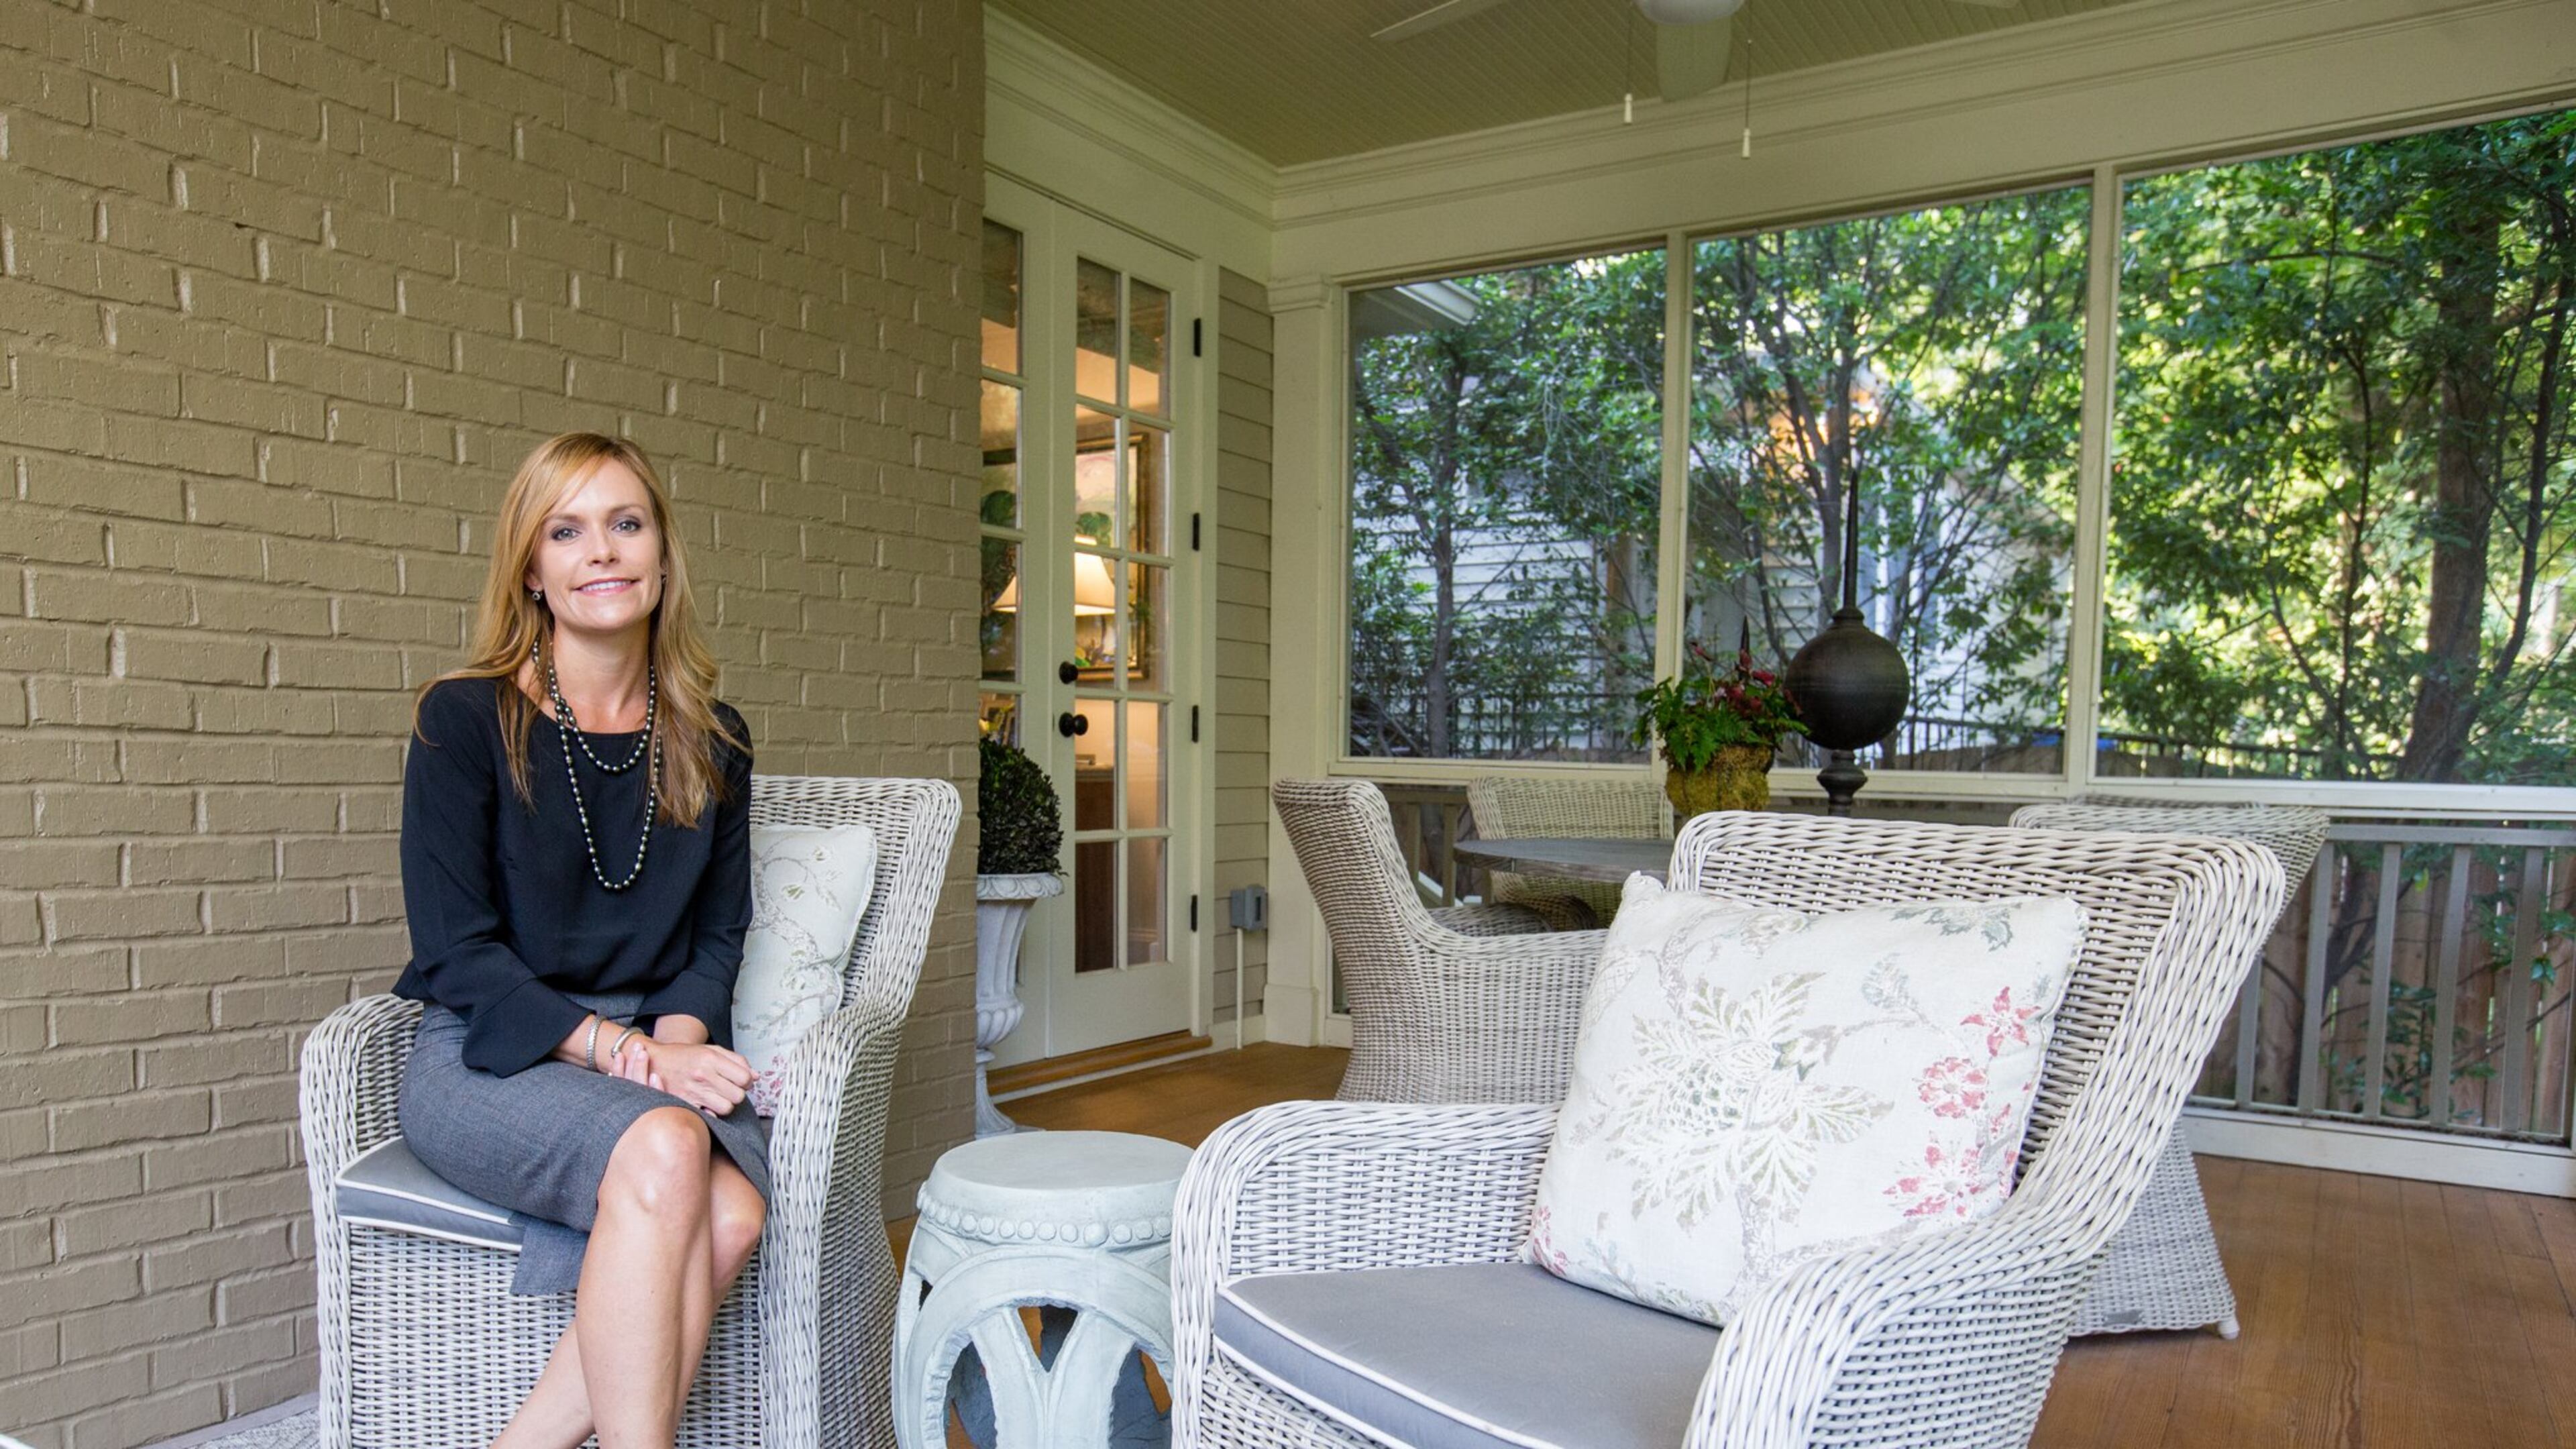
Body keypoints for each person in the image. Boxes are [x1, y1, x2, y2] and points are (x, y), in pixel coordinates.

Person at [394, 432, 761, 1449]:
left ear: (661, 555)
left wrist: (677, 1041)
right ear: (534, 571)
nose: (600, 551)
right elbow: (458, 956)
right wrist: (636, 1061)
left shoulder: (714, 736)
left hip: (644, 1045)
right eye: (568, 531)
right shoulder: (462, 721)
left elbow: (720, 935)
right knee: (666, 1147)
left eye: (625, 524)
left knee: (734, 1216)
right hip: (487, 1053)